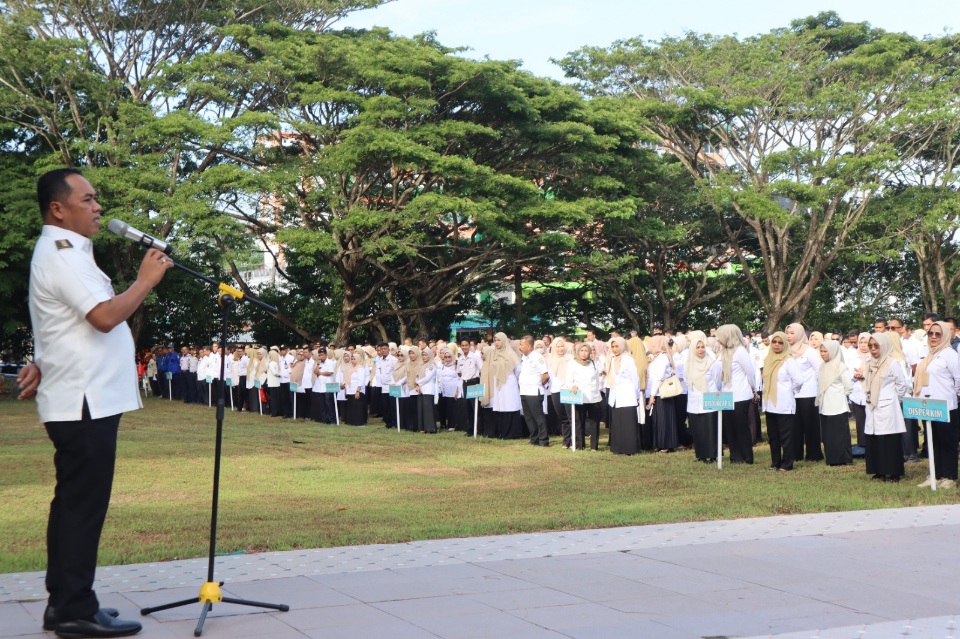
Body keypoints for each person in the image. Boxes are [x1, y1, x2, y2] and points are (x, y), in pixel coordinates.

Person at [19, 167, 173, 637]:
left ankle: (67, 603)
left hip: (85, 396)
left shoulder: (69, 253)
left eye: (95, 198)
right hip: (84, 400)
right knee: (82, 507)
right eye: (87, 199)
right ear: (58, 208)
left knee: (74, 504)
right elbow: (104, 317)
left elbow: (61, 324)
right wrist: (145, 281)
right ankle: (74, 609)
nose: (97, 207)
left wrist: (42, 360)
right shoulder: (63, 254)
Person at [913, 321, 960, 489]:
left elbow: (958, 379)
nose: (933, 337)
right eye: (930, 333)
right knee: (933, 441)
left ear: (945, 335)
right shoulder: (929, 354)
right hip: (928, 405)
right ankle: (935, 474)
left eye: (937, 334)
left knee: (947, 442)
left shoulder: (950, 354)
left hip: (946, 405)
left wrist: (955, 397)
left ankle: (949, 477)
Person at [864, 333, 908, 482]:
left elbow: (901, 385)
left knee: (889, 440)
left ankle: (894, 472)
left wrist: (893, 400)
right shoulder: (869, 362)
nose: (873, 349)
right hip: (872, 405)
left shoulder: (892, 362)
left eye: (876, 346)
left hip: (888, 406)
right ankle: (879, 471)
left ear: (884, 346)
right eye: (870, 346)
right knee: (874, 438)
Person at [761, 331, 807, 471]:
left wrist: (789, 391)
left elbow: (799, 380)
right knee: (773, 436)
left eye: (780, 342)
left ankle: (787, 464)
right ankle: (775, 462)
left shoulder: (788, 360)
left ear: (785, 344)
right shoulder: (768, 359)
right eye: (774, 342)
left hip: (784, 403)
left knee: (786, 436)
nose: (777, 345)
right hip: (770, 403)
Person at [716, 324, 757, 464]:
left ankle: (747, 456)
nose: (718, 340)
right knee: (730, 428)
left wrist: (753, 388)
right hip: (726, 394)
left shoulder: (740, 351)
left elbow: (750, 372)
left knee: (741, 427)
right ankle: (735, 455)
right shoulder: (724, 352)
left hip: (740, 395)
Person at [682, 331, 721, 463]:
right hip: (694, 401)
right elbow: (687, 380)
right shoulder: (688, 365)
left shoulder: (711, 363)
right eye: (697, 347)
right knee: (697, 429)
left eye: (702, 347)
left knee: (710, 428)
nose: (700, 350)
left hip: (710, 398)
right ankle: (701, 454)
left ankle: (712, 455)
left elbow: (718, 381)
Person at [787, 323, 823, 462]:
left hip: (808, 393)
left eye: (792, 333)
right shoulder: (786, 351)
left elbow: (819, 370)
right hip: (791, 393)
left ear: (799, 334)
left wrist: (817, 389)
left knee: (810, 425)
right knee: (794, 426)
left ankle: (813, 455)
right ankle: (795, 454)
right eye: (787, 333)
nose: (789, 336)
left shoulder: (809, 351)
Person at [817, 340, 853, 466]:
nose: (822, 354)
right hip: (825, 405)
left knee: (840, 434)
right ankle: (832, 458)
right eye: (821, 351)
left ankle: (843, 458)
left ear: (833, 351)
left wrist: (839, 396)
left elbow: (848, 386)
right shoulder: (822, 366)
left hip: (838, 405)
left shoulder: (840, 366)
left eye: (825, 351)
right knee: (828, 434)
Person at [608, 337, 642, 455]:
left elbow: (635, 379)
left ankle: (629, 449)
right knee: (618, 423)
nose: (615, 349)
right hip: (616, 396)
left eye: (617, 346)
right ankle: (618, 448)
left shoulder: (628, 359)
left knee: (628, 424)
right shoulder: (613, 360)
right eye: (613, 347)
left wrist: (636, 394)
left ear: (622, 346)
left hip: (628, 395)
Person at [518, 335, 550, 446]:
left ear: (528, 346)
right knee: (529, 417)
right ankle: (534, 438)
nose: (519, 347)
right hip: (524, 391)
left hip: (534, 391)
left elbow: (545, 375)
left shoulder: (537, 357)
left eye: (521, 345)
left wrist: (538, 384)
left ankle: (544, 439)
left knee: (538, 416)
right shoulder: (524, 357)